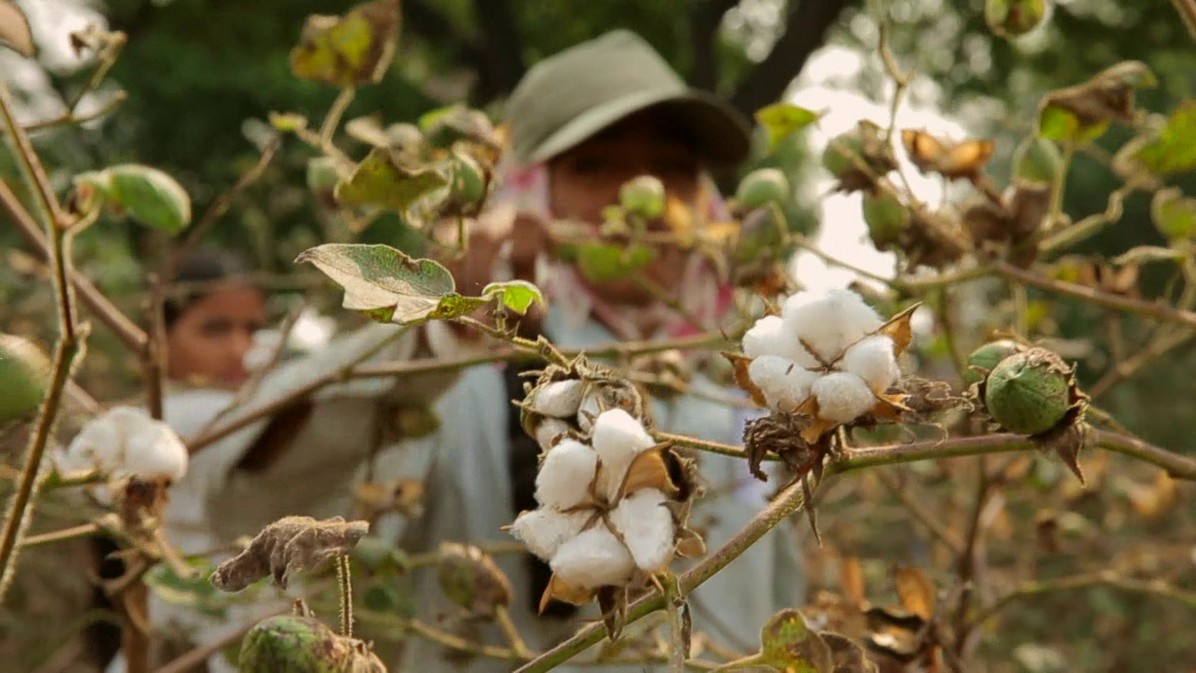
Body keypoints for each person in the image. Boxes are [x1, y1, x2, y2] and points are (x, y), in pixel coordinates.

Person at [386, 30, 804, 671]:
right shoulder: (460, 364)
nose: (643, 200)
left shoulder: (748, 377)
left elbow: (774, 599)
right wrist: (433, 340)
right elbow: (269, 489)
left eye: (671, 168)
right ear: (529, 195)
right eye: (593, 166)